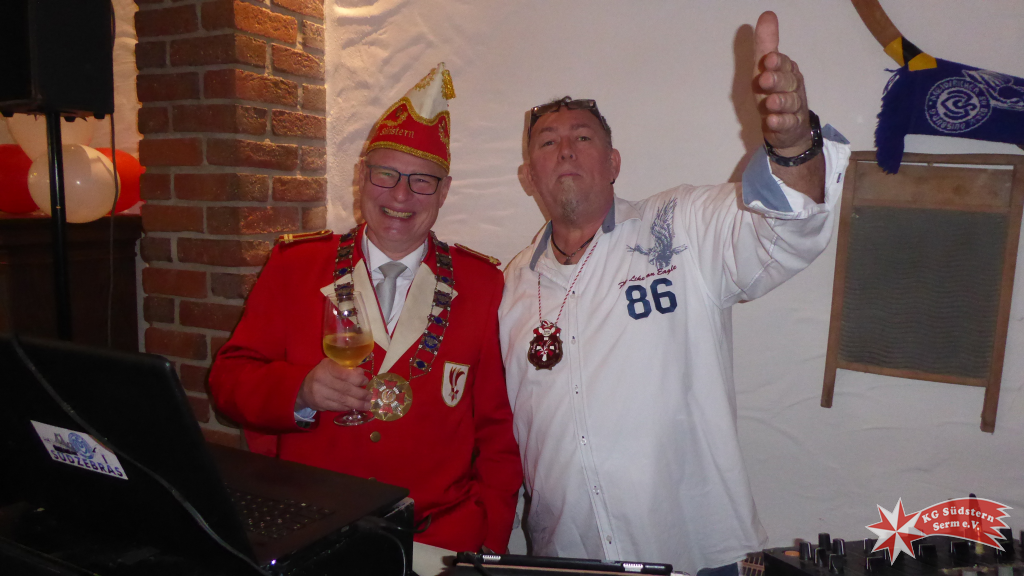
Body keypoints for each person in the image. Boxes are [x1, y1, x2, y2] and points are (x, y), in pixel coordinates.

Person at [497, 12, 851, 575]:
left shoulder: (680, 225)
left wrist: (792, 148)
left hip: (693, 550)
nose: (565, 150)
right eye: (548, 142)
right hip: (567, 556)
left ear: (614, 163)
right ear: (528, 176)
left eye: (583, 137)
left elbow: (783, 230)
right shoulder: (509, 287)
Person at [209, 63, 522, 553]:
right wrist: (301, 390)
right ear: (361, 177)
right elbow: (228, 383)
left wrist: (487, 541)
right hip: (313, 536)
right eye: (385, 174)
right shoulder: (295, 266)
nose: (400, 195)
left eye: (422, 181)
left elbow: (500, 435)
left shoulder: (483, 285)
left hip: (439, 541)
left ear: (444, 192)